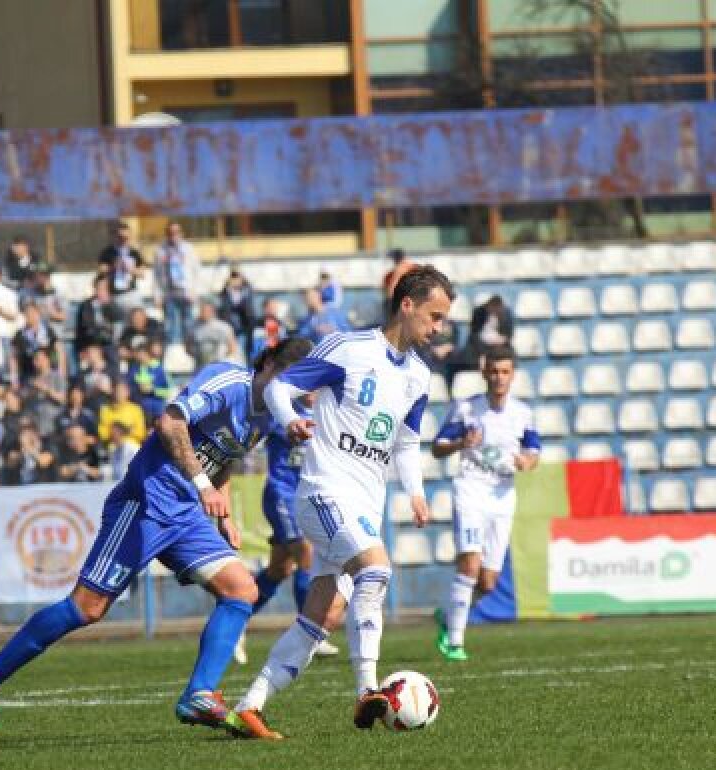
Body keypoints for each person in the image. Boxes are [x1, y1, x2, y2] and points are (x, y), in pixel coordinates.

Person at [0, 337, 313, 740]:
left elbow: (225, 458)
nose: (290, 394)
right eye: (286, 381)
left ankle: (200, 693)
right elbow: (170, 423)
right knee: (86, 609)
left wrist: (223, 512)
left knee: (241, 590)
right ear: (267, 363)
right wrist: (202, 486)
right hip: (146, 502)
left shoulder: (267, 416)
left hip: (187, 515)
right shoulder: (228, 381)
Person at [226, 266, 453, 740]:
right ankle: (368, 689)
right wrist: (289, 420)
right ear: (406, 305)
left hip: (365, 503)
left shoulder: (417, 375)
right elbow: (279, 388)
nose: (438, 328)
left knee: (324, 615)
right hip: (324, 490)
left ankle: (250, 706)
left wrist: (415, 491)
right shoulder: (348, 349)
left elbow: (407, 443)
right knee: (376, 570)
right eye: (434, 316)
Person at [431, 345, 540, 661]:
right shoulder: (467, 409)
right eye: (493, 371)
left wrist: (526, 461)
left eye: (505, 371)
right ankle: (455, 642)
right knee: (470, 563)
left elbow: (533, 451)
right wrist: (460, 443)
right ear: (484, 372)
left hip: (503, 496)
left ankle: (450, 613)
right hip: (471, 491)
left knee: (489, 582)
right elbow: (438, 447)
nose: (499, 377)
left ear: (512, 374)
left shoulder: (523, 413)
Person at [237, 396, 340, 664]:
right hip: (282, 495)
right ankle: (312, 633)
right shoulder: (281, 411)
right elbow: (249, 437)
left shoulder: (327, 413)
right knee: (306, 555)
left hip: (307, 496)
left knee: (279, 570)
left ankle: (236, 620)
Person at [153, 221, 200, 344]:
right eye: (170, 233)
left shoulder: (188, 248)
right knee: (170, 326)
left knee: (188, 324)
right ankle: (173, 353)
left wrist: (194, 291)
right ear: (166, 234)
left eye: (176, 232)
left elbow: (196, 271)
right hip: (169, 292)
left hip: (186, 291)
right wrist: (157, 295)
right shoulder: (160, 250)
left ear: (181, 233)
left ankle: (189, 352)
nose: (173, 235)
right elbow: (157, 275)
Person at [97, 221, 148, 311]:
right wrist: (114, 267)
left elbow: (142, 274)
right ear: (116, 237)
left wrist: (130, 269)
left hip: (131, 292)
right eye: (121, 237)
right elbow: (101, 270)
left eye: (126, 238)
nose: (124, 240)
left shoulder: (134, 253)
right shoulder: (108, 252)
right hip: (115, 294)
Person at [187, 299, 239, 369]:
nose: (204, 313)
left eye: (207, 310)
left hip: (219, 366)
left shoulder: (223, 327)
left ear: (212, 311)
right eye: (202, 310)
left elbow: (232, 347)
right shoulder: (193, 327)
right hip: (201, 367)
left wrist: (222, 358)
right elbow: (188, 346)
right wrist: (197, 355)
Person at [98, 380, 147, 445]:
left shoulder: (136, 409)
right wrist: (112, 433)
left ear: (127, 393)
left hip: (132, 445)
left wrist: (126, 431)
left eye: (122, 391)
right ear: (113, 392)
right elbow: (102, 433)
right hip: (113, 445)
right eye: (117, 391)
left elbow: (142, 433)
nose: (119, 394)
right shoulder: (105, 410)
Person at [219, 269, 255, 357]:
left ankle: (248, 351)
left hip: (246, 318)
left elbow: (247, 304)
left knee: (250, 321)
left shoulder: (246, 290)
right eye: (233, 279)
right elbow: (226, 306)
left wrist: (243, 279)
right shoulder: (226, 292)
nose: (236, 281)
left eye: (237, 279)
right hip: (232, 319)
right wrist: (229, 289)